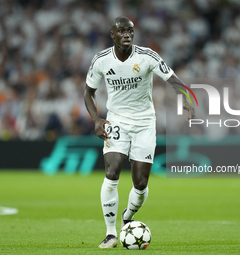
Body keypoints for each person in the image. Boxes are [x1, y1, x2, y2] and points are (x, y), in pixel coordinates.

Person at [84, 16, 194, 248]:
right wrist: (96, 119)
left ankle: (128, 217)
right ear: (112, 35)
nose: (127, 35)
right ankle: (111, 233)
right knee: (112, 173)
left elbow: (173, 79)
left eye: (130, 31)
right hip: (116, 121)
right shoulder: (101, 60)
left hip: (144, 123)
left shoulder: (147, 57)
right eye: (121, 31)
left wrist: (187, 99)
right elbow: (88, 92)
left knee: (141, 183)